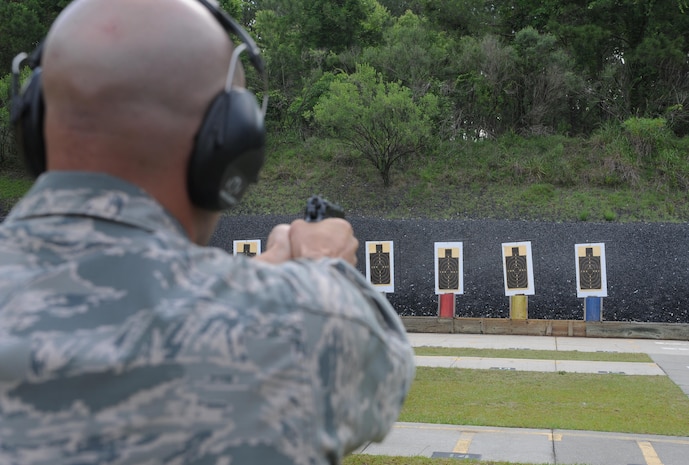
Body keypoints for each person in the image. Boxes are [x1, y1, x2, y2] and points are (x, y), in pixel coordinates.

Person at [0, 0, 416, 464]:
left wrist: (253, 276)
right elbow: (380, 362)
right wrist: (324, 264)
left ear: (33, 123)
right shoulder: (301, 328)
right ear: (230, 148)